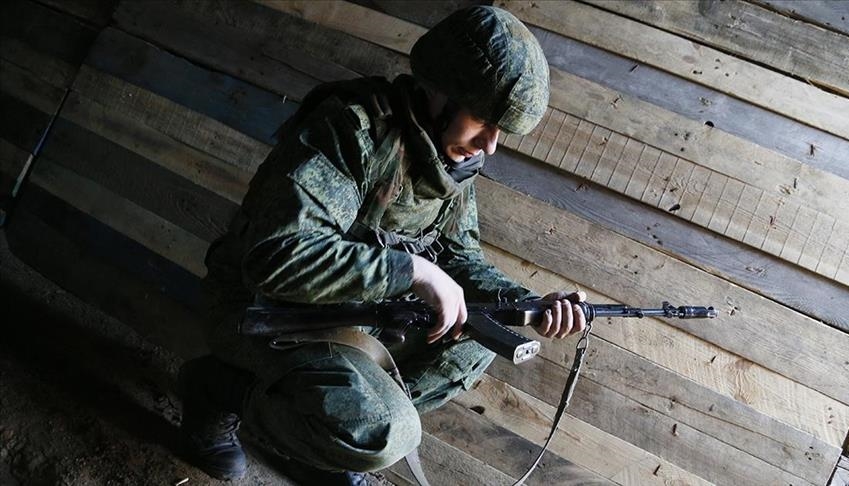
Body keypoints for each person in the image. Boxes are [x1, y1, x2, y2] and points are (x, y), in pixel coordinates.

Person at [178, 5, 587, 485]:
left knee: (479, 336)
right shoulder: (350, 132)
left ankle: (331, 445)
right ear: (439, 90)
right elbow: (278, 259)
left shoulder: (449, 161)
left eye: (500, 130)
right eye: (481, 119)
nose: (490, 144)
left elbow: (459, 257)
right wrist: (413, 271)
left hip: (355, 316)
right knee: (385, 434)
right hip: (265, 312)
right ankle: (218, 391)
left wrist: (527, 304)